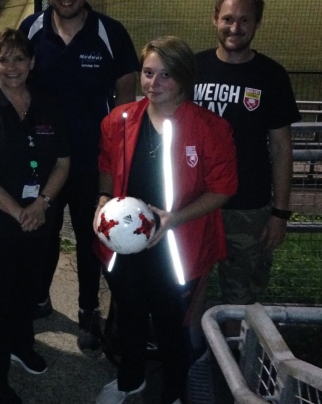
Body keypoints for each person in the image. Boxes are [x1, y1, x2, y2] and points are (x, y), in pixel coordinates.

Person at [93, 36, 237, 404]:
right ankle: (130, 381)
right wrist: (104, 200)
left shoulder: (211, 128)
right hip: (126, 242)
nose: (153, 84)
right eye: (148, 73)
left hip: (177, 245)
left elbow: (223, 189)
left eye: (165, 76)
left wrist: (173, 219)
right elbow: (107, 167)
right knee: (129, 315)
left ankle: (174, 391)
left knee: (173, 322)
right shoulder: (120, 119)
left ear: (185, 78)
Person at [19, 0, 139, 354]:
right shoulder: (31, 29)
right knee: (41, 236)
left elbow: (125, 108)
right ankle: (39, 297)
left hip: (92, 163)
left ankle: (89, 309)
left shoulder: (111, 34)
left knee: (92, 241)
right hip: (44, 163)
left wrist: (117, 169)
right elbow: (15, 87)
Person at [0, 29, 71, 404]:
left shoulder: (50, 105)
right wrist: (17, 210)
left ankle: (21, 344)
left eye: (19, 58)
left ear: (31, 62)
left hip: (38, 219)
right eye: (3, 59)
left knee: (28, 287)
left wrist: (41, 205)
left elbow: (63, 162)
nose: (11, 67)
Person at [193, 0, 300, 338]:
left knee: (241, 301)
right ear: (214, 19)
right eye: (227, 19)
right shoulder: (192, 68)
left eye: (244, 20)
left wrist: (279, 213)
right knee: (188, 290)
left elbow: (282, 148)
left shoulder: (271, 75)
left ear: (257, 24)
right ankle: (188, 358)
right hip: (192, 205)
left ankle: (234, 369)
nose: (234, 28)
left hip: (248, 209)